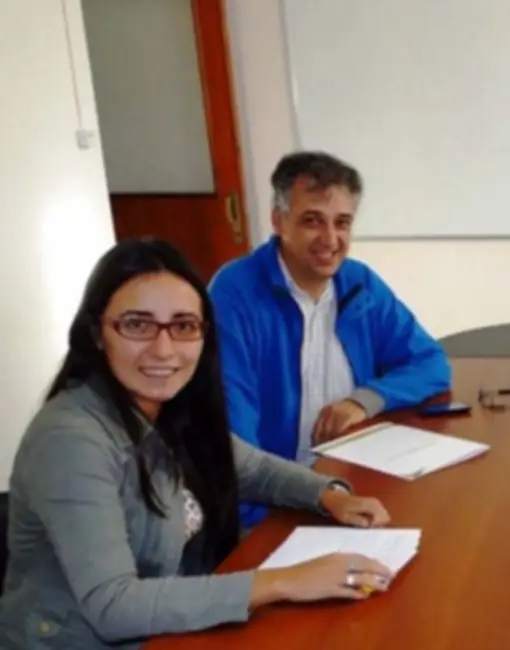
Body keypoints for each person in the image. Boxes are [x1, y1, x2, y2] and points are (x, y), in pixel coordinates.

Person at [0, 239, 398, 649]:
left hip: (166, 631)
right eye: (137, 325)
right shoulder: (71, 440)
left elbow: (251, 468)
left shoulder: (169, 407)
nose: (164, 349)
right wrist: (285, 582)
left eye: (184, 326)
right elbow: (113, 605)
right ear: (98, 334)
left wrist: (329, 495)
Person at [208, 151, 450, 476]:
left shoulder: (359, 283)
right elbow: (234, 438)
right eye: (312, 220)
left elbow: (431, 363)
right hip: (276, 486)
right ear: (278, 222)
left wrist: (363, 401)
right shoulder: (235, 293)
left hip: (355, 469)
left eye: (342, 223)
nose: (330, 239)